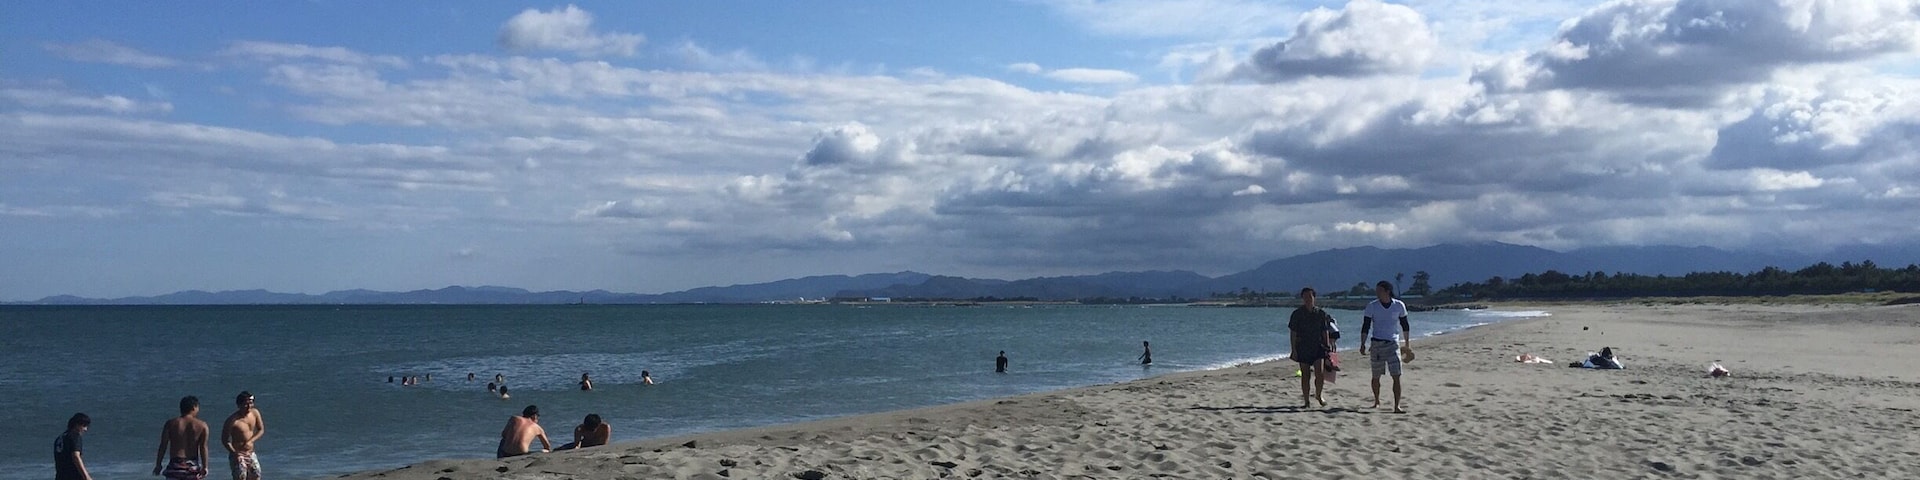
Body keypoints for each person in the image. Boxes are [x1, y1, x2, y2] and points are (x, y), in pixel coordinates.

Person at [1359, 281, 1413, 413]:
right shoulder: (1372, 306)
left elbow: (1405, 325)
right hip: (1377, 344)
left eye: (1379, 290)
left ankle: (1397, 406)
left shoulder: (1399, 305)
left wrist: (1407, 344)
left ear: (1387, 291)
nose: (1377, 293)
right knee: (1376, 375)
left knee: (1396, 375)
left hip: (1393, 343)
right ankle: (1377, 400)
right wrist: (1362, 343)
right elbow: (1365, 326)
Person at [1288, 287, 1335, 408]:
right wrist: (1293, 350)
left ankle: (1318, 395)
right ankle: (1306, 400)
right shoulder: (1297, 314)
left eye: (1310, 296)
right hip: (1303, 347)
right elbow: (1293, 333)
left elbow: (1325, 331)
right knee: (1305, 375)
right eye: (1305, 297)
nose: (1308, 299)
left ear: (1314, 297)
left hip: (1318, 346)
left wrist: (1328, 345)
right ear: (1302, 298)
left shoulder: (1320, 313)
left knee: (1319, 373)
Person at [155, 396, 210, 480]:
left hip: (175, 465)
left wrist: (158, 464)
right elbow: (203, 447)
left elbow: (163, 445)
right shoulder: (202, 425)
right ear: (194, 407)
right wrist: (205, 467)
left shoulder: (171, 424)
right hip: (192, 466)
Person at [220, 392, 265, 480]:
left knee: (256, 475)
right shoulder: (232, 421)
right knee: (241, 477)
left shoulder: (255, 413)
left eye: (250, 403)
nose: (249, 406)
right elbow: (225, 440)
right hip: (238, 454)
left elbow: (261, 429)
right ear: (239, 405)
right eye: (245, 404)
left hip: (251, 452)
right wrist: (234, 453)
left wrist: (251, 440)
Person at [55, 413, 92, 480]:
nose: (85, 429)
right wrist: (86, 477)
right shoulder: (75, 436)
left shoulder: (60, 438)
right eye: (84, 426)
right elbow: (76, 457)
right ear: (77, 425)